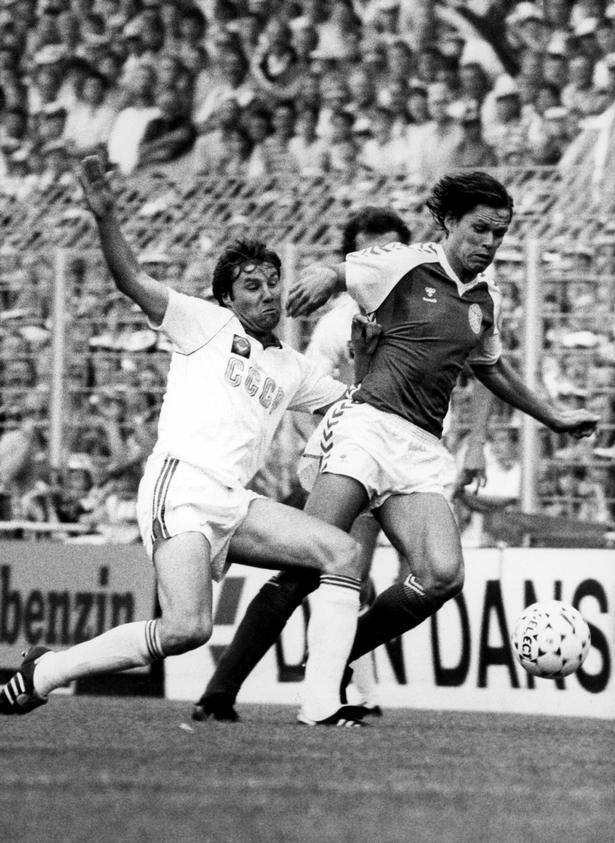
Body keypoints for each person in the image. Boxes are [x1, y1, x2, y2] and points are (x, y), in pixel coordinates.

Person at [208, 171, 600, 727]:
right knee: (307, 562)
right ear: (449, 223)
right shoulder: (405, 263)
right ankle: (222, 689)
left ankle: (336, 656)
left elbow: (490, 368)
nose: (489, 243)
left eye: (499, 233)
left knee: (442, 575)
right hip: (366, 429)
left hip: (419, 449)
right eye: (480, 229)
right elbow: (339, 273)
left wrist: (553, 416)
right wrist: (323, 276)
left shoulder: (485, 298)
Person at [0, 155, 379, 727]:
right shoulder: (203, 323)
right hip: (180, 486)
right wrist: (106, 217)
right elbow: (132, 281)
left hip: (233, 499)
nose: (267, 294)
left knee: (343, 553)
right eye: (251, 286)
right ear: (227, 298)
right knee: (187, 629)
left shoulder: (291, 366)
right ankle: (46, 672)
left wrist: (370, 355)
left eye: (272, 283)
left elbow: (357, 408)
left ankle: (322, 703)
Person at [193, 206, 412, 723]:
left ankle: (343, 687)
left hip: (410, 461)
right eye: (366, 252)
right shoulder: (339, 325)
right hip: (356, 462)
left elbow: (478, 364)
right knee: (319, 570)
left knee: (374, 576)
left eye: (389, 249)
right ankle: (300, 693)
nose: (378, 260)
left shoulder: (431, 308)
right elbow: (318, 395)